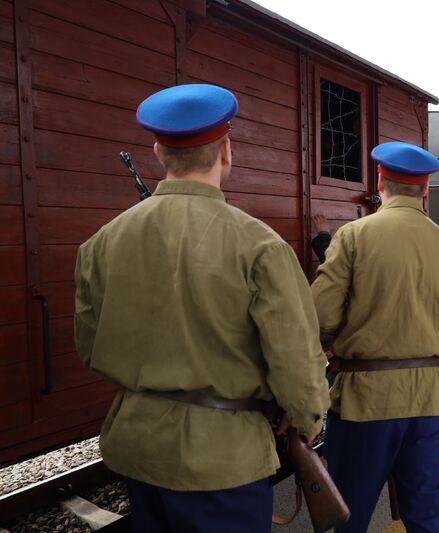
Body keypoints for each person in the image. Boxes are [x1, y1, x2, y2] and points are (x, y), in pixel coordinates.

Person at [74, 84, 329, 532]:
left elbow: (90, 346)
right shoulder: (260, 245)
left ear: (157, 151)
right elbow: (295, 358)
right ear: (226, 151)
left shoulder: (101, 242)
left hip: (138, 445)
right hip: (223, 458)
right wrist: (308, 420)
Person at [311, 141, 439, 533]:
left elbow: (319, 315)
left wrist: (334, 349)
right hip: (431, 397)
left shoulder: (353, 236)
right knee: (425, 508)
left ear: (380, 181)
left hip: (367, 399)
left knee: (351, 510)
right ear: (424, 189)